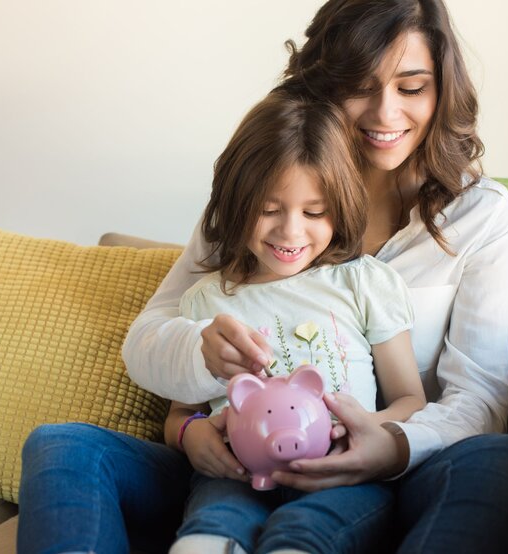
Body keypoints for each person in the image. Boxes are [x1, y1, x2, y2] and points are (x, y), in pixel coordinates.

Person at [19, 1, 508, 552]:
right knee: (61, 446)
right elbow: (151, 337)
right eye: (361, 85)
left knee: (505, 458)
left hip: (396, 475)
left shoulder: (481, 215)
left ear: (442, 90)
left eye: (412, 87)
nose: (387, 114)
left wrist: (391, 445)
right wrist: (197, 383)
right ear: (323, 84)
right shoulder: (256, 201)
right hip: (233, 473)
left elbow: (478, 397)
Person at [164, 91, 427, 553]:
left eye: (313, 212)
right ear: (234, 202)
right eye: (268, 210)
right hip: (237, 475)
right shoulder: (205, 301)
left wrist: (370, 429)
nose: (290, 231)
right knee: (212, 526)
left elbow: (410, 398)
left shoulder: (362, 282)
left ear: (340, 207)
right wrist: (191, 436)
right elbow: (180, 415)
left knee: (305, 535)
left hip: (343, 474)